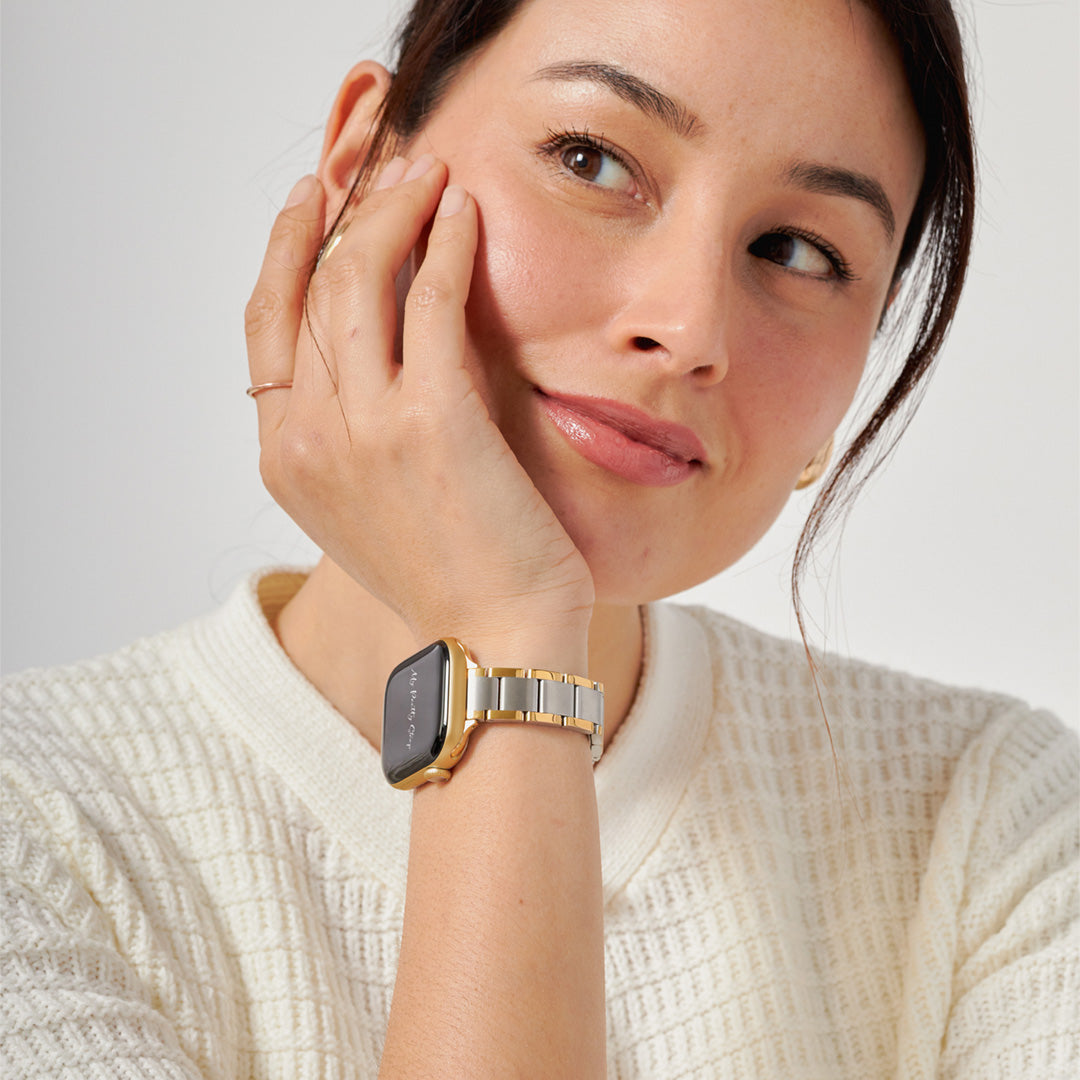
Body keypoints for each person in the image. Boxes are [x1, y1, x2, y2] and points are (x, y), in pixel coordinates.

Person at [2, 0, 1076, 1076]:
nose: (688, 327)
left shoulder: (997, 828)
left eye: (795, 250)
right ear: (364, 165)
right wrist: (506, 646)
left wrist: (503, 637)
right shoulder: (35, 825)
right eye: (591, 160)